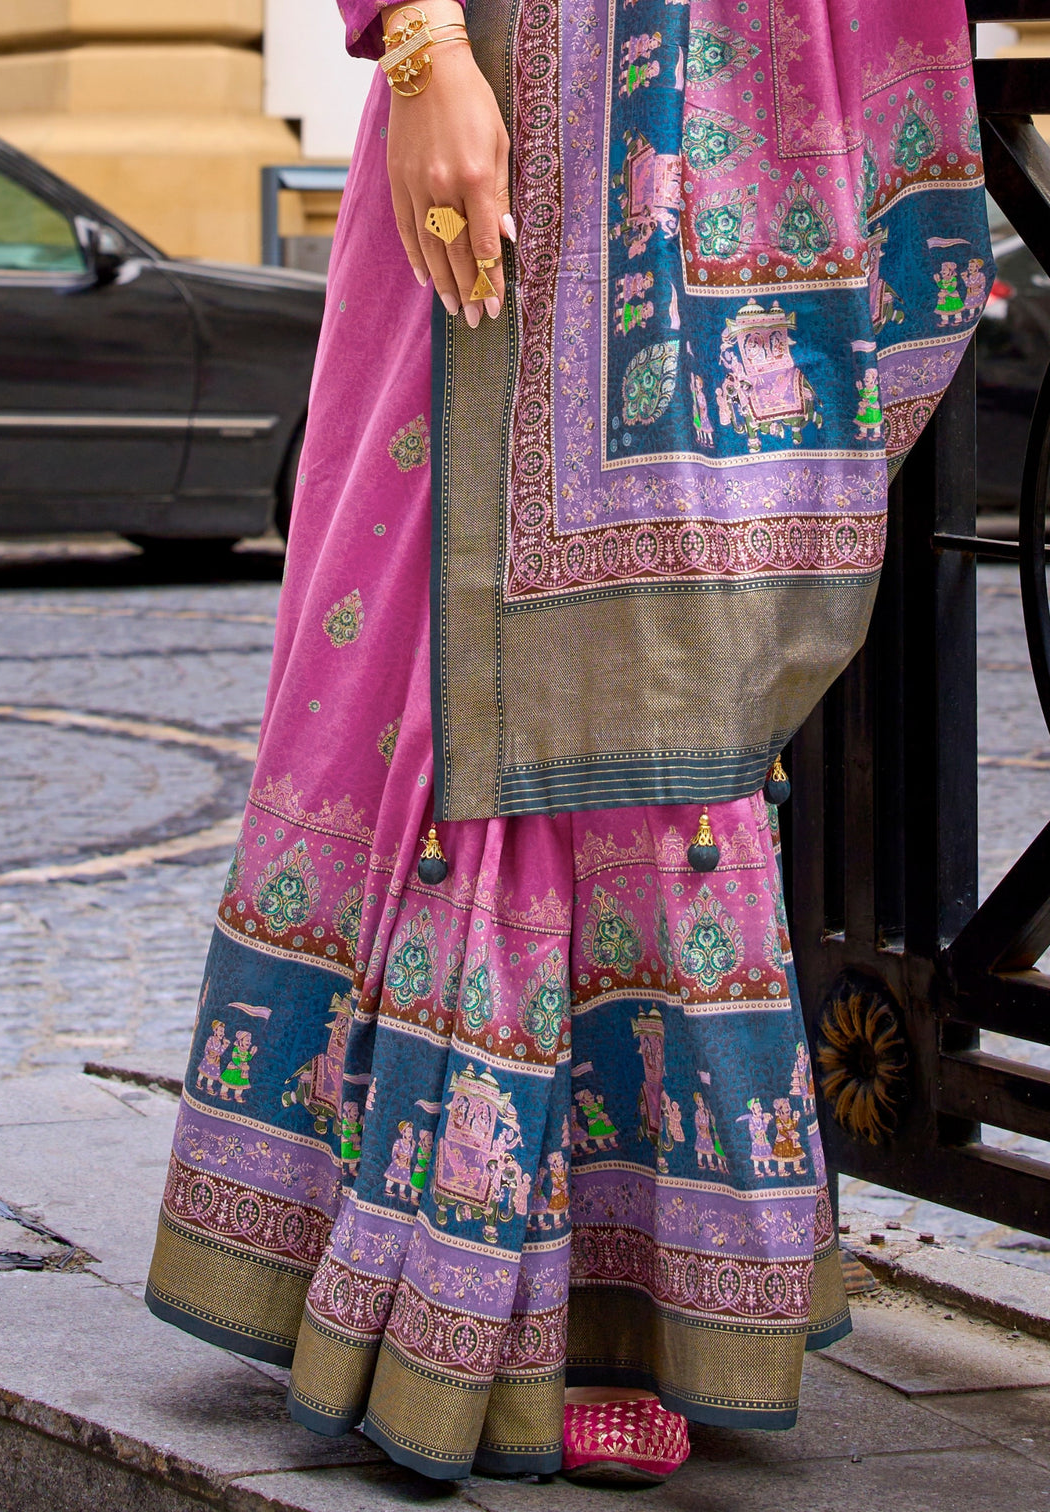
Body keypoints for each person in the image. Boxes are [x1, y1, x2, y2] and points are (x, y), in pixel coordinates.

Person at [145, 0, 993, 1484]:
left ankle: (620, 1295)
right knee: (415, 653)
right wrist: (421, 48)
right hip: (506, 111)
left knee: (671, 687)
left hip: (725, 150)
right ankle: (406, 1260)